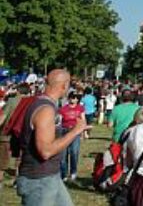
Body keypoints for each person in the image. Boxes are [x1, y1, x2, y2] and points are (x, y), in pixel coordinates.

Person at [15, 70, 90, 206]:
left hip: (50, 175)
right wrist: (75, 131)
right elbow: (46, 151)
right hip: (38, 180)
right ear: (64, 86)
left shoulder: (45, 104)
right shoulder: (46, 110)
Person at [57, 92, 85, 182]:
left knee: (74, 152)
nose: (73, 100)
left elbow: (83, 120)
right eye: (72, 98)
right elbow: (59, 122)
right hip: (64, 131)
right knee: (63, 154)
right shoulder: (63, 109)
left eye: (75, 98)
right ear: (69, 99)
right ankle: (64, 173)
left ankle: (73, 172)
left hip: (75, 131)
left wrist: (83, 132)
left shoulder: (80, 108)